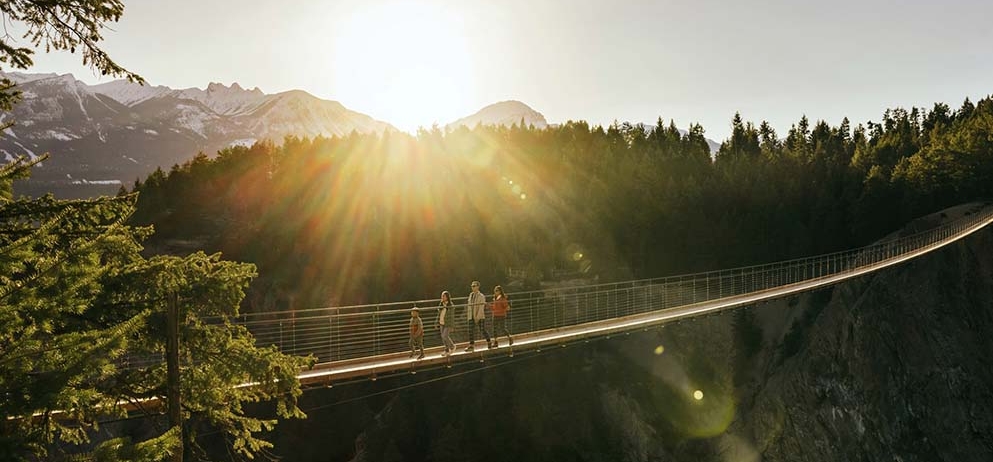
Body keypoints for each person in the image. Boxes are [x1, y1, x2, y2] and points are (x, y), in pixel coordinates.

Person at [464, 280, 491, 352]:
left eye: (474, 286)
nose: (472, 287)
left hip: (479, 316)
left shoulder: (481, 296)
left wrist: (477, 318)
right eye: (472, 286)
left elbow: (481, 308)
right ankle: (471, 345)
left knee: (482, 330)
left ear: (478, 287)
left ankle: (489, 341)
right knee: (470, 330)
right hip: (471, 316)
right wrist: (469, 316)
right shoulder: (471, 295)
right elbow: (469, 306)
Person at [437, 290, 456, 355]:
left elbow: (452, 316)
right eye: (442, 296)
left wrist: (452, 326)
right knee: (443, 337)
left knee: (445, 336)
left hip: (447, 323)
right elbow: (439, 313)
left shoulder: (450, 305)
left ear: (447, 297)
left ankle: (452, 346)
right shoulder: (441, 304)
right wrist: (436, 322)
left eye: (444, 296)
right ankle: (446, 349)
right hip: (441, 322)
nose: (442, 297)